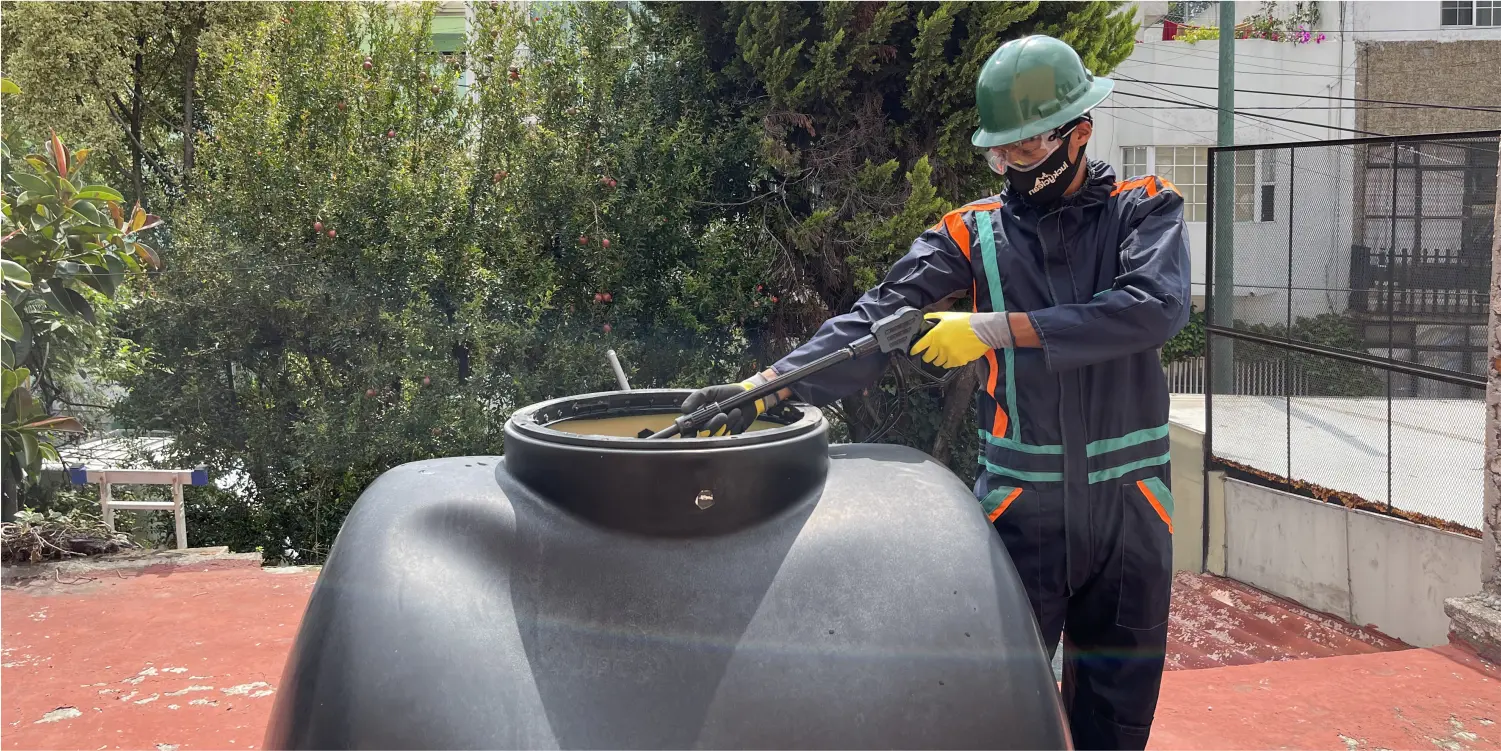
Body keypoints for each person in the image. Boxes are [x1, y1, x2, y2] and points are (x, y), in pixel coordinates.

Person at [680, 34, 1191, 751]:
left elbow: (1150, 309)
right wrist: (763, 388)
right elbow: (869, 322)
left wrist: (990, 328)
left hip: (1130, 512)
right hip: (1023, 510)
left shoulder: (1144, 210)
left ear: (1078, 133)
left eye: (1023, 149)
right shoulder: (971, 232)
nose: (1008, 165)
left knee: (1116, 721)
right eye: (997, 152)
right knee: (994, 715)